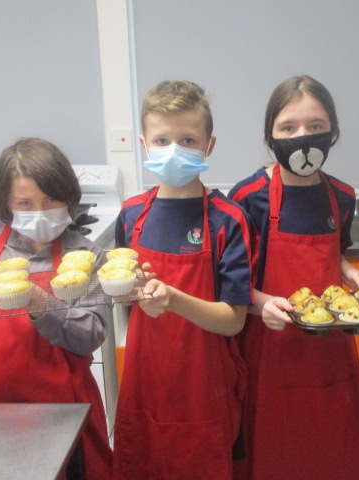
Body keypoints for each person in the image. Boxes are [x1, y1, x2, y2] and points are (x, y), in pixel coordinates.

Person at [0, 137, 112, 479]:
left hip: (66, 414)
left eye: (51, 200)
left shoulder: (84, 254)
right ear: (6, 202)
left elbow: (89, 336)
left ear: (69, 197)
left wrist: (40, 302)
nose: (39, 212)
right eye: (25, 203)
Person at [229, 75, 359, 480]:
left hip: (329, 346)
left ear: (332, 133)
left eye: (315, 126)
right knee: (274, 448)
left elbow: (335, 250)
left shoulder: (342, 196)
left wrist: (349, 271)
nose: (302, 137)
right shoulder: (247, 197)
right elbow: (231, 280)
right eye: (288, 127)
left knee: (331, 444)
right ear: (270, 135)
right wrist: (263, 304)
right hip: (269, 343)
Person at [111, 80, 254, 480]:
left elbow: (234, 320)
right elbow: (125, 301)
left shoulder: (228, 220)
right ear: (144, 145)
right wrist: (128, 291)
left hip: (203, 388)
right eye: (162, 140)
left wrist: (173, 299)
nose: (173, 150)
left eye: (188, 140)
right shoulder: (131, 215)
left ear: (209, 145)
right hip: (145, 381)